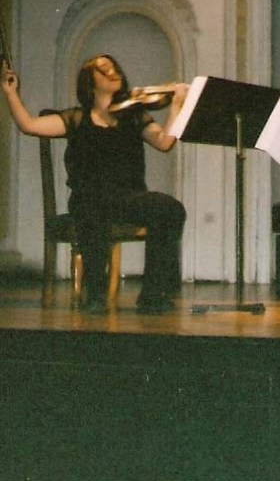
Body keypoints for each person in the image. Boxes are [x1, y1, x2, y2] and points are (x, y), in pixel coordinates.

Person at [1, 55, 189, 314]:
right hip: (89, 199)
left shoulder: (134, 116)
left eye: (114, 67)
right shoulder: (77, 119)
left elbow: (164, 142)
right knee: (93, 209)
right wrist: (10, 92)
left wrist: (177, 106)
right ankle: (95, 294)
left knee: (170, 208)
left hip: (128, 198)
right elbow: (29, 125)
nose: (114, 71)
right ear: (90, 83)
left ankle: (153, 294)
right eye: (104, 69)